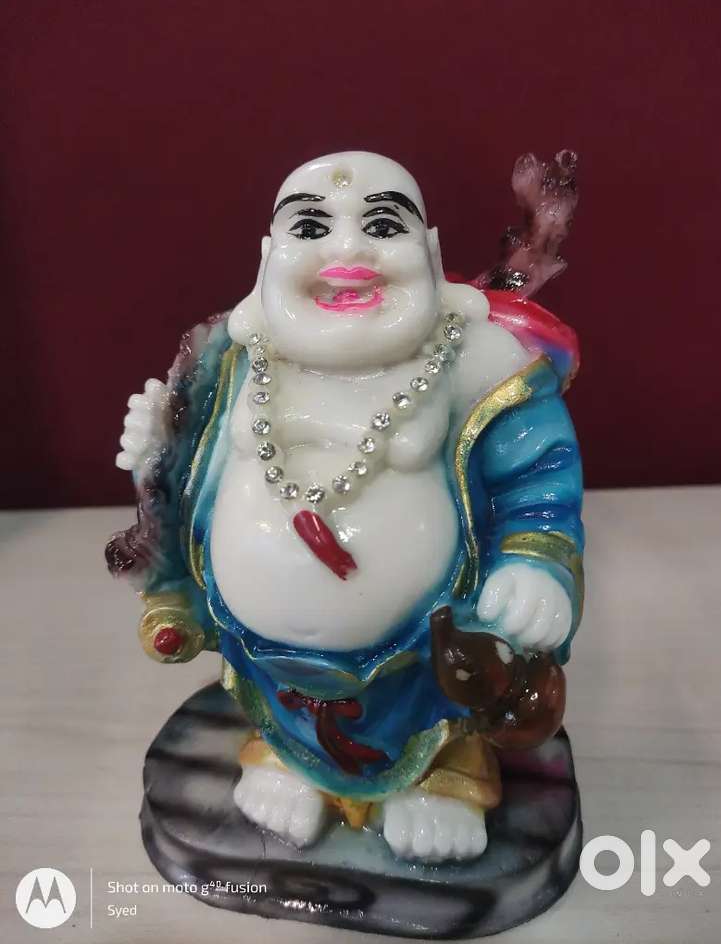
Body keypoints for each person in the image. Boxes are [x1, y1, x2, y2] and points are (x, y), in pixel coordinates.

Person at [109, 151, 584, 862]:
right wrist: (155, 453)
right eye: (310, 227)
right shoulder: (231, 363)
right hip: (265, 657)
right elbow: (178, 486)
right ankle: (288, 760)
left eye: (383, 225)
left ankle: (440, 777)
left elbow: (537, 471)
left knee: (438, 704)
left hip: (425, 651)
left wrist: (534, 564)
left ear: (430, 253)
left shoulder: (479, 366)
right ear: (267, 258)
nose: (348, 250)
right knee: (286, 712)